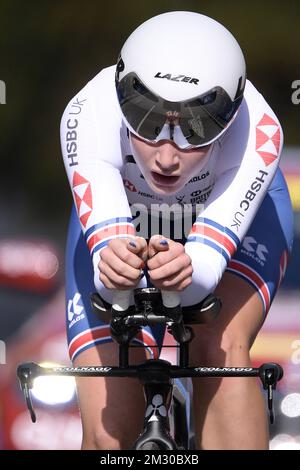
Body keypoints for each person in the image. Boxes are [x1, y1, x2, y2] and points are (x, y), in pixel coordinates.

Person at [60, 11, 293, 450]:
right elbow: (109, 278)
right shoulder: (87, 112)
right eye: (147, 121)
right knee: (110, 429)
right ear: (122, 94)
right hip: (127, 218)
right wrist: (114, 269)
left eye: (198, 128)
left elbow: (199, 282)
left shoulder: (258, 131)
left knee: (215, 344)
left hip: (228, 230)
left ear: (231, 115)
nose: (167, 157)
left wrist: (187, 272)